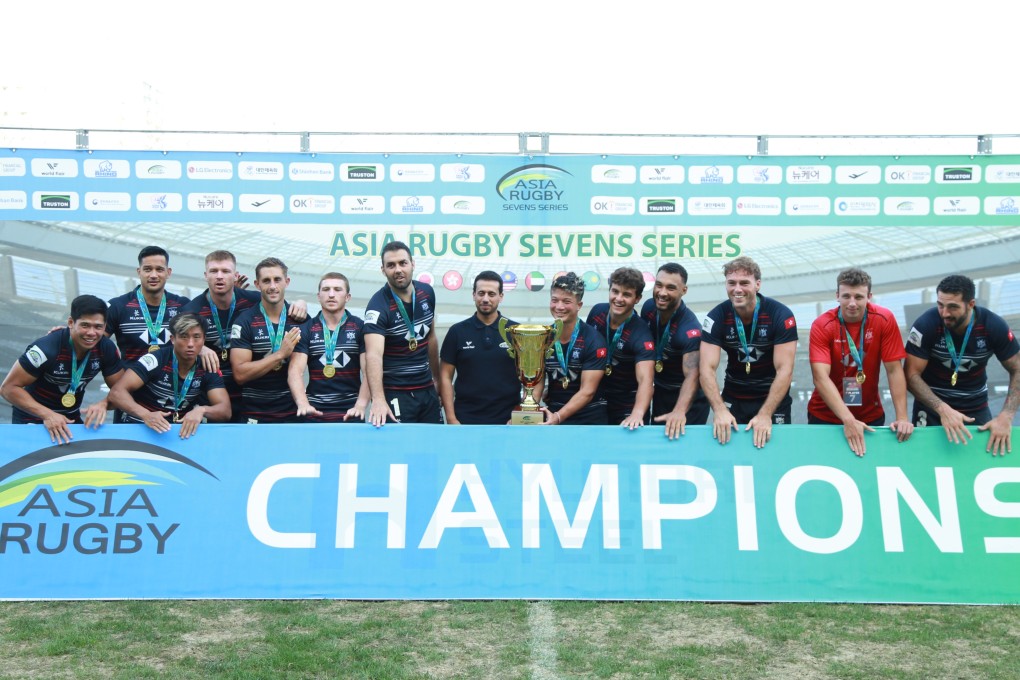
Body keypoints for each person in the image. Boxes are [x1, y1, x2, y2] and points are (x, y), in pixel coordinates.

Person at [181, 250, 307, 420]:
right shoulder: (191, 311)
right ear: (205, 275)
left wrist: (301, 304)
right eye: (214, 271)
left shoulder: (251, 299)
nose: (219, 276)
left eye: (225, 271)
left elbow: (275, 299)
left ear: (235, 276)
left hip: (248, 395)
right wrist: (199, 347)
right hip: (215, 394)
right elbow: (174, 339)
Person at [905, 274, 1020, 455]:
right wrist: (942, 409)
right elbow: (910, 375)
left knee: (982, 460)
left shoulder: (993, 326)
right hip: (931, 408)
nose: (944, 313)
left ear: (971, 304)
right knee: (924, 461)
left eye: (952, 307)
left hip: (975, 407)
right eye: (940, 305)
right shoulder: (925, 324)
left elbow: (1017, 368)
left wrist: (1006, 416)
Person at [808, 268, 914, 456]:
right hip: (825, 416)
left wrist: (903, 417)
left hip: (869, 416)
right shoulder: (822, 325)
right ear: (837, 296)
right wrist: (848, 420)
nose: (852, 303)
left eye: (858, 297)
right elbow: (820, 378)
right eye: (846, 296)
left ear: (869, 296)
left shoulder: (884, 319)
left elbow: (894, 370)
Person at [700, 256, 798, 448]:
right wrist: (719, 410)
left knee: (774, 453)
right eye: (731, 283)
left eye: (744, 283)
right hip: (734, 399)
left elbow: (785, 370)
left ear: (757, 285)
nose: (737, 289)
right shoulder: (715, 317)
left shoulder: (780, 315)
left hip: (772, 400)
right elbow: (706, 369)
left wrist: (765, 414)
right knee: (729, 455)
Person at [1, 295, 123, 444]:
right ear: (71, 322)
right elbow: (8, 388)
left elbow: (121, 391)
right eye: (85, 325)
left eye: (98, 326)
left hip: (69, 419)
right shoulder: (46, 348)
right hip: (32, 418)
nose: (92, 333)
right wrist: (47, 415)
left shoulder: (106, 348)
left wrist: (104, 403)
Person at [108, 313, 230, 438]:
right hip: (141, 429)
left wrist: (202, 410)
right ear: (172, 339)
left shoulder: (207, 366)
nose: (190, 344)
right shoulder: (155, 360)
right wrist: (146, 415)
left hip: (179, 434)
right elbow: (116, 393)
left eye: (196, 337)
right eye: (184, 337)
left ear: (204, 339)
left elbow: (225, 410)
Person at [364, 241, 442, 426]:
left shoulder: (427, 293)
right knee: (399, 453)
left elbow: (431, 338)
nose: (398, 269)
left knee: (432, 448)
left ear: (412, 264)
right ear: (383, 270)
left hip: (427, 390)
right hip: (396, 393)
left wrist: (436, 379)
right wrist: (378, 399)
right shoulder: (377, 307)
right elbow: (373, 356)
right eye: (391, 265)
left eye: (402, 263)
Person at [439, 270, 521, 424]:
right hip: (465, 420)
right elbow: (445, 377)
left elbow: (533, 378)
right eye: (481, 293)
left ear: (501, 296)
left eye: (491, 294)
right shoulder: (457, 332)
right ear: (474, 295)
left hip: (508, 422)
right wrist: (451, 418)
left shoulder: (516, 331)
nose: (485, 299)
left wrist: (520, 415)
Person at [639, 263, 709, 440]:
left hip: (689, 401)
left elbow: (692, 375)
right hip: (662, 393)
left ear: (683, 290)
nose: (662, 293)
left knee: (684, 455)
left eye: (671, 288)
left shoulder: (690, 330)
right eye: (659, 285)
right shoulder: (648, 308)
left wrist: (679, 411)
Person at [229, 257, 303, 423]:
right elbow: (240, 374)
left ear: (287, 281)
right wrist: (280, 354)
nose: (272, 286)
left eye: (277, 280)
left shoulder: (299, 320)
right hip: (254, 415)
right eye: (266, 281)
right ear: (257, 284)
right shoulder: (245, 321)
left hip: (291, 415)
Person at [288, 272, 369, 422]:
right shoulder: (306, 329)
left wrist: (360, 406)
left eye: (338, 290)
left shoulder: (360, 327)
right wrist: (303, 404)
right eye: (326, 290)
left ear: (347, 297)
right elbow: (295, 371)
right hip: (314, 412)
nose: (331, 294)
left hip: (351, 412)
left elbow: (369, 370)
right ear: (318, 296)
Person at [585, 267, 655, 429]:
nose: (618, 298)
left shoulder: (642, 334)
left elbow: (646, 380)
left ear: (637, 298)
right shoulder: (597, 312)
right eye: (615, 291)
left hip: (627, 405)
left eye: (627, 294)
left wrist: (637, 413)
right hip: (597, 399)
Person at [539, 272, 607, 425]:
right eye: (554, 300)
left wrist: (558, 417)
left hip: (589, 419)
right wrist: (526, 413)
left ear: (579, 305)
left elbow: (587, 392)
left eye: (566, 301)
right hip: (554, 414)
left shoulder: (594, 340)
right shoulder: (543, 338)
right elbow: (537, 382)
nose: (559, 307)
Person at [106, 245, 190, 363]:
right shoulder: (118, 306)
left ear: (168, 272)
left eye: (159, 269)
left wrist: (204, 348)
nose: (154, 275)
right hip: (131, 380)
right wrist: (115, 372)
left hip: (172, 380)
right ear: (139, 272)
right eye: (147, 269)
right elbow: (97, 343)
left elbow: (197, 339)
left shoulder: (182, 306)